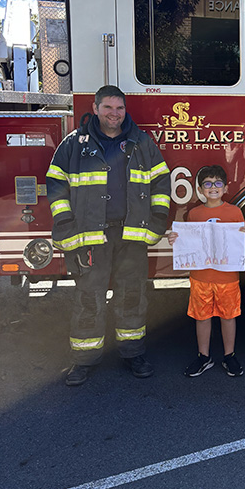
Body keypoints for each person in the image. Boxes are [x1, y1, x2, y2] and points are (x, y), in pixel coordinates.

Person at [46, 85, 170, 386]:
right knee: (89, 297)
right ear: (96, 108)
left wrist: (156, 224)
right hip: (90, 237)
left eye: (119, 109)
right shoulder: (74, 144)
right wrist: (64, 224)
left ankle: (133, 353)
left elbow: (161, 183)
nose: (114, 114)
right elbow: (56, 184)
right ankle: (84, 359)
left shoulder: (142, 142)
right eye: (108, 108)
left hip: (131, 236)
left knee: (132, 295)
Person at [168, 165, 245, 378]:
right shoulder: (194, 214)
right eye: (208, 184)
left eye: (218, 183)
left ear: (226, 187)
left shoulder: (234, 212)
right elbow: (188, 243)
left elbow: (242, 241)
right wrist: (176, 239)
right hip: (200, 277)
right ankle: (204, 356)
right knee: (202, 317)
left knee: (228, 317)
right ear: (201, 190)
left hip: (227, 277)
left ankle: (229, 355)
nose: (213, 187)